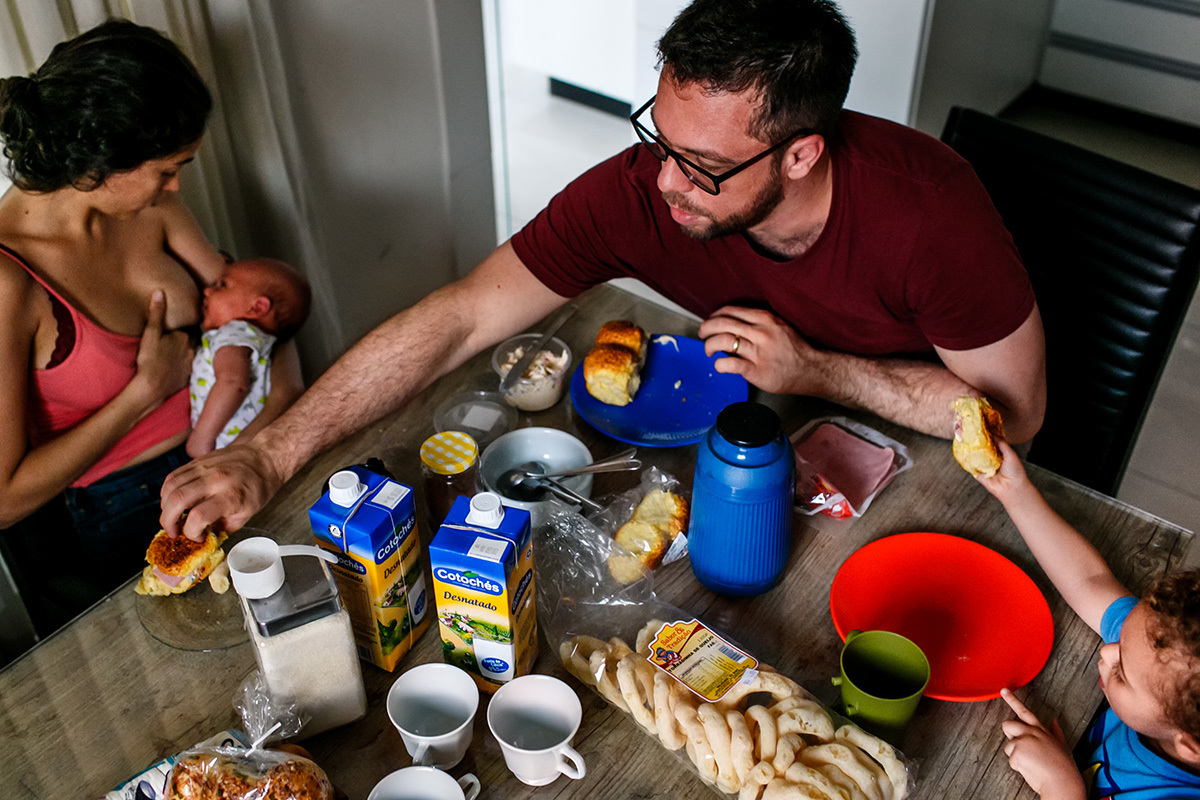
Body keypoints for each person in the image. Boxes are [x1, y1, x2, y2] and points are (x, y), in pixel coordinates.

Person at [161, 0, 1045, 540]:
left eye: (701, 164)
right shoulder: (644, 187)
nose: (664, 181)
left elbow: (1014, 417)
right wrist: (269, 455)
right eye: (659, 135)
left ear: (802, 154)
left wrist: (816, 371)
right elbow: (464, 316)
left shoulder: (931, 211)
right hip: (740, 454)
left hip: (911, 474)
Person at [0, 19, 302, 634]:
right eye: (168, 168)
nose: (177, 184)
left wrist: (275, 422)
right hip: (128, 502)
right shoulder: (10, 281)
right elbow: (5, 500)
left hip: (242, 437)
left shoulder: (150, 204)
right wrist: (142, 394)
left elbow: (255, 313)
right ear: (100, 162)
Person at [978, 441, 1200, 799]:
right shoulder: (1167, 653)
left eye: (1123, 675)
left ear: (1189, 746)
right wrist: (1018, 495)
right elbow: (1088, 581)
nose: (1108, 650)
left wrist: (1062, 786)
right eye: (1123, 636)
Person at [188, 257, 311, 457]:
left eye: (222, 285)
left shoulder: (234, 333)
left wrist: (202, 436)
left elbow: (232, 382)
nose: (207, 291)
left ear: (257, 308)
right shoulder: (257, 340)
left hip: (224, 448)